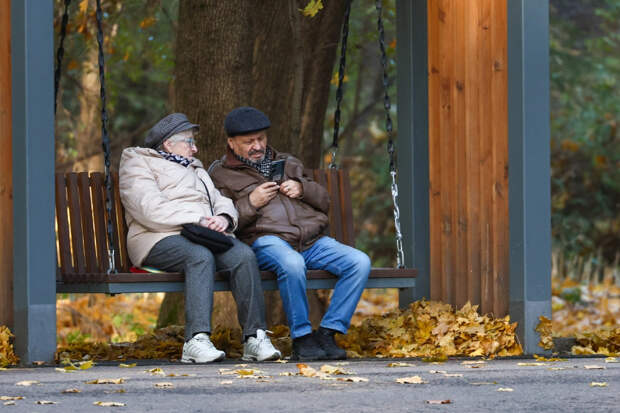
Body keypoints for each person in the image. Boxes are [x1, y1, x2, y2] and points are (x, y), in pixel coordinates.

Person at [209, 107, 371, 361]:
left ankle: (328, 333)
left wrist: (302, 188)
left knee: (359, 262)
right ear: (231, 142)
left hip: (310, 239)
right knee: (292, 264)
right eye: (248, 141)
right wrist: (251, 202)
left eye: (261, 138)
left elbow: (324, 200)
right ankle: (302, 338)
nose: (257, 145)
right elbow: (223, 220)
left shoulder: (287, 162)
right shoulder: (220, 174)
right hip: (266, 240)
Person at [119, 113, 281, 363]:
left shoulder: (195, 167)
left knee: (243, 255)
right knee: (199, 257)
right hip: (157, 237)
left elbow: (220, 200)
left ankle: (255, 338)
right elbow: (148, 208)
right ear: (167, 144)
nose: (195, 148)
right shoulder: (138, 163)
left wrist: (224, 219)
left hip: (202, 234)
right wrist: (199, 219)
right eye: (189, 142)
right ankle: (196, 340)